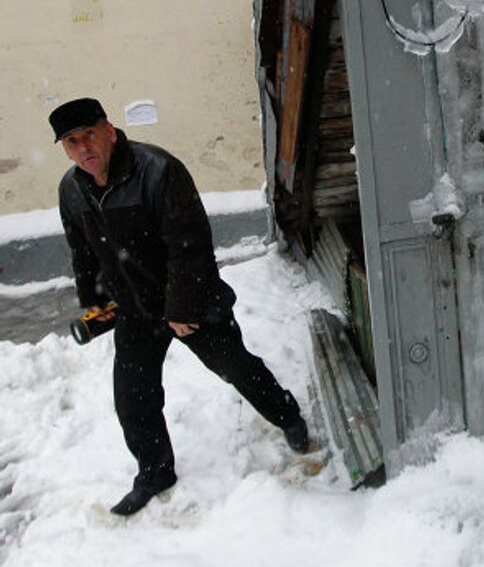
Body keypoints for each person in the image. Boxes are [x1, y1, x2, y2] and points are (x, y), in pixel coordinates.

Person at [49, 97, 309, 517]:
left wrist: (182, 307)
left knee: (235, 366)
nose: (83, 148)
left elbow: (189, 245)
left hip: (189, 302)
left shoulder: (157, 171)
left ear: (110, 131)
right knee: (133, 398)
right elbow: (82, 251)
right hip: (135, 309)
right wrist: (95, 303)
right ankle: (154, 472)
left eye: (89, 135)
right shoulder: (71, 189)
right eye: (71, 141)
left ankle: (287, 415)